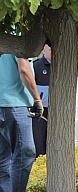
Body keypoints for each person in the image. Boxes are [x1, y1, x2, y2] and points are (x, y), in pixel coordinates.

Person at [0, 54, 43, 192]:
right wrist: (37, 100)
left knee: (3, 159)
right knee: (25, 154)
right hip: (15, 104)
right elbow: (24, 69)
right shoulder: (19, 35)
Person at [32, 44, 51, 157]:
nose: (52, 51)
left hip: (56, 111)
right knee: (39, 145)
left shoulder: (61, 65)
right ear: (43, 50)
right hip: (40, 112)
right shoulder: (36, 66)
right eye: (50, 49)